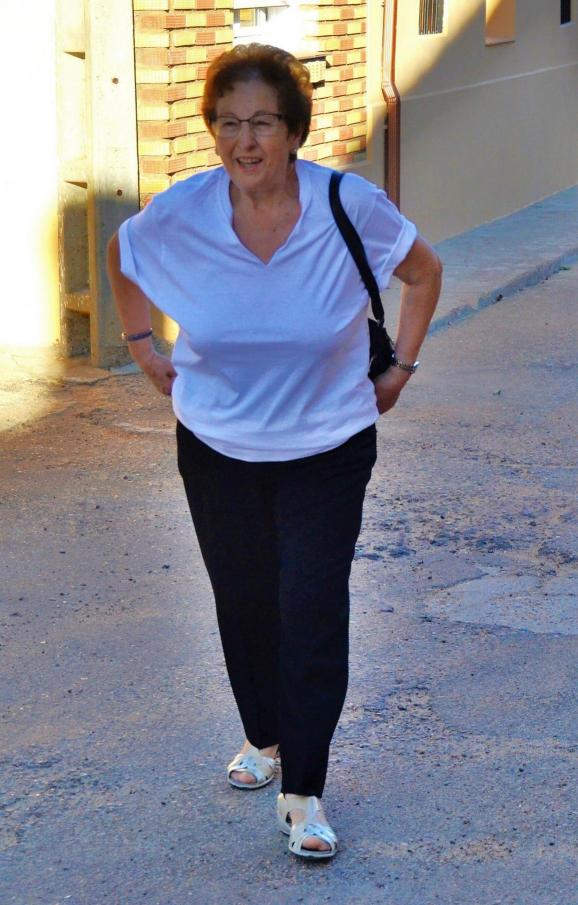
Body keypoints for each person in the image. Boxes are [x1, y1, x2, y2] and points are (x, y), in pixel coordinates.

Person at [107, 43, 442, 860]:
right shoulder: (185, 212)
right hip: (216, 445)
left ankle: (305, 792)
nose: (244, 141)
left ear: (294, 131)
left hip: (327, 445)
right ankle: (265, 735)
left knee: (311, 607)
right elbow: (123, 254)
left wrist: (401, 366)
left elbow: (425, 272)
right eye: (227, 123)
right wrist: (143, 347)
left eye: (261, 123)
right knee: (245, 601)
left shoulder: (346, 204)